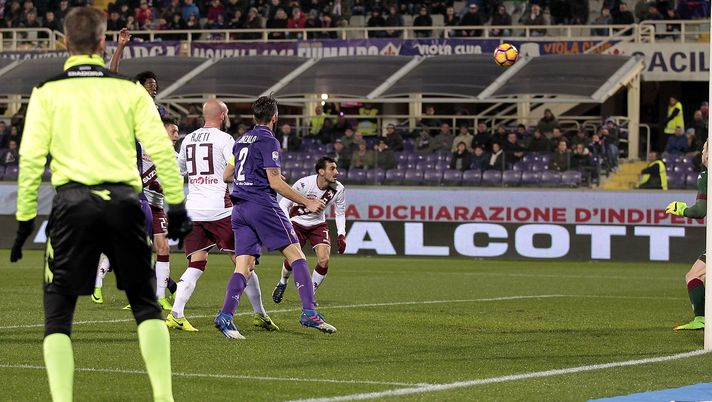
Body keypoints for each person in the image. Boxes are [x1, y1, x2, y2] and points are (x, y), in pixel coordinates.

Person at [10, 8, 192, 402]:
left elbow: (30, 160)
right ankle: (164, 397)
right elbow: (161, 149)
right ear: (101, 43)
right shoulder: (129, 91)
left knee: (58, 314)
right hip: (125, 203)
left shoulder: (47, 92)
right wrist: (176, 205)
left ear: (64, 42)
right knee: (145, 306)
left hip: (72, 204)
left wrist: (25, 218)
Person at [215, 95, 335, 339]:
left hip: (239, 208)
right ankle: (309, 312)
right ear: (275, 117)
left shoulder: (241, 141)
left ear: (254, 116)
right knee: (297, 256)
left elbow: (228, 174)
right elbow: (275, 181)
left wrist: (245, 177)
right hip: (262, 205)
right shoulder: (269, 140)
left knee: (244, 266)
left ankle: (226, 316)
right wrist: (307, 201)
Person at [167, 99, 278, 333]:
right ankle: (260, 314)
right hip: (220, 209)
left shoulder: (188, 139)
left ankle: (176, 314)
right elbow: (237, 168)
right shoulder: (226, 139)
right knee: (244, 263)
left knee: (196, 263)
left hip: (194, 209)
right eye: (226, 114)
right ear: (221, 115)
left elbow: (179, 170)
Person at [91, 118, 181, 308]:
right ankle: (100, 281)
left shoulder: (176, 158)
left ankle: (160, 296)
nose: (176, 135)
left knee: (163, 249)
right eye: (172, 131)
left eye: (177, 131)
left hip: (156, 208)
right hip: (137, 204)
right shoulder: (142, 148)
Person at [272, 157, 346, 304]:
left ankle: (309, 293)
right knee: (292, 259)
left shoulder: (338, 189)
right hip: (297, 224)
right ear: (321, 171)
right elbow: (283, 205)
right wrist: (288, 226)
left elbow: (340, 213)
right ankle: (282, 282)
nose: (336, 172)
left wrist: (341, 234)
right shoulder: (304, 183)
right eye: (332, 169)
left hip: (318, 224)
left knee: (324, 260)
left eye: (336, 168)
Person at [666, 140, 708, 330]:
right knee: (699, 275)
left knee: (695, 275)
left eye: (706, 147)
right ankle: (701, 318)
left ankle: (701, 319)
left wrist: (682, 209)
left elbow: (700, 210)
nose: (702, 151)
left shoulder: (706, 176)